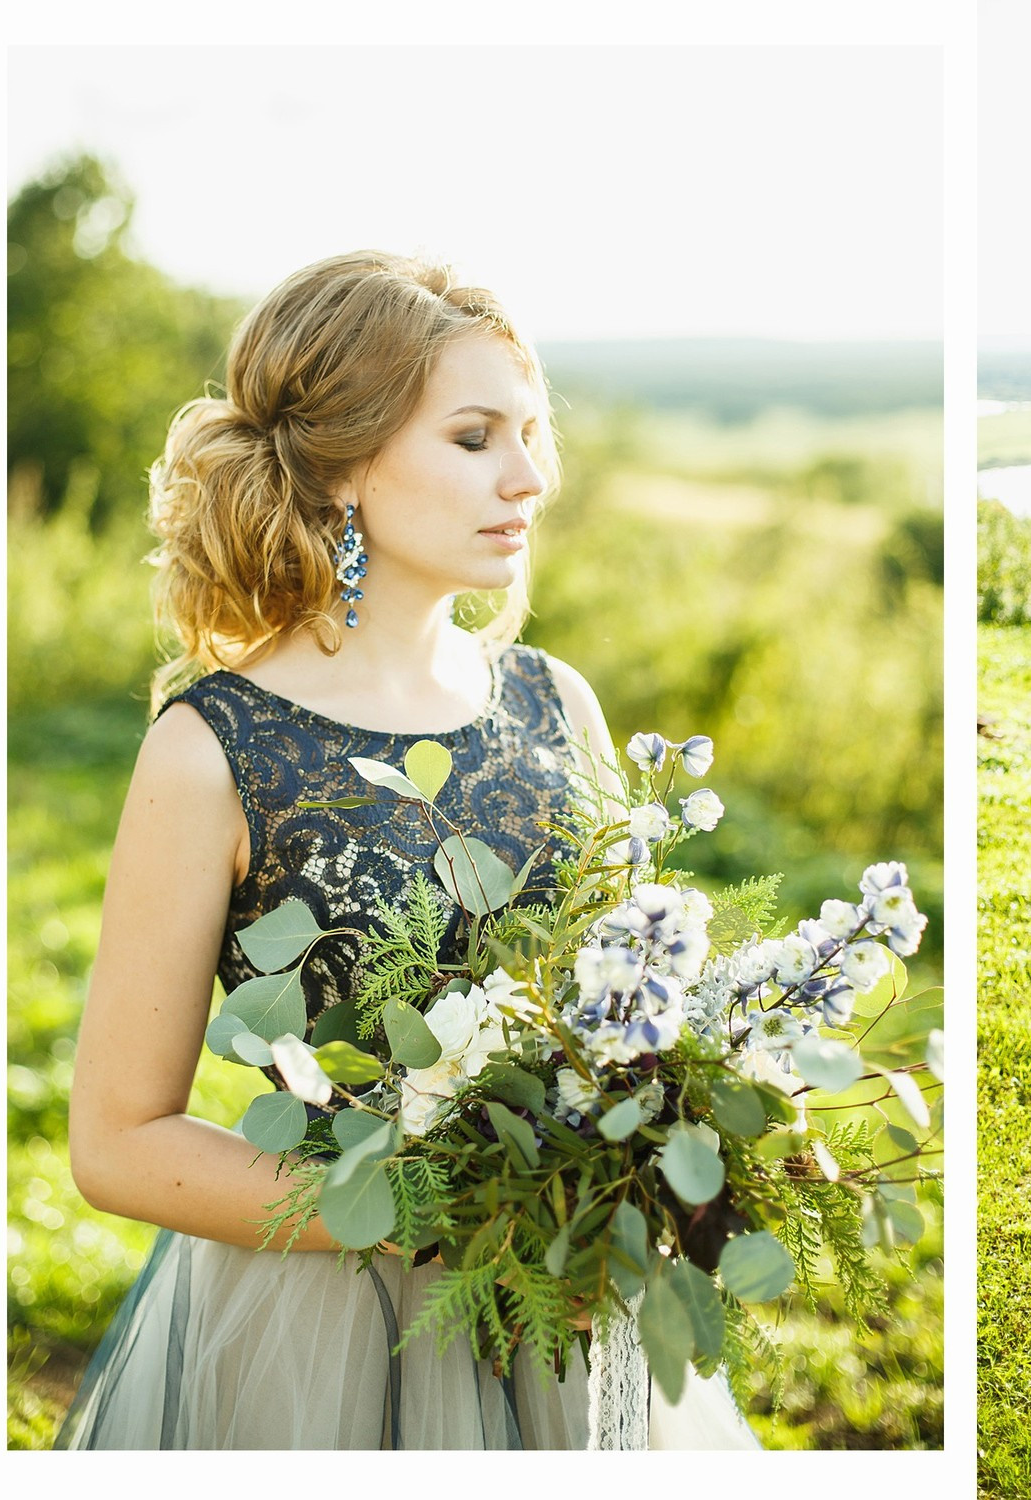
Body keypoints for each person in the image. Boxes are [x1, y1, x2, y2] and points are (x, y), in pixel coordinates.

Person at [58, 251, 758, 1450]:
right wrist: (429, 1209)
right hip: (326, 1324)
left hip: (573, 1295)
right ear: (340, 465)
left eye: (532, 433)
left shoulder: (556, 703)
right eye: (476, 437)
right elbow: (117, 1143)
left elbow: (633, 1017)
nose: (530, 477)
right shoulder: (212, 751)